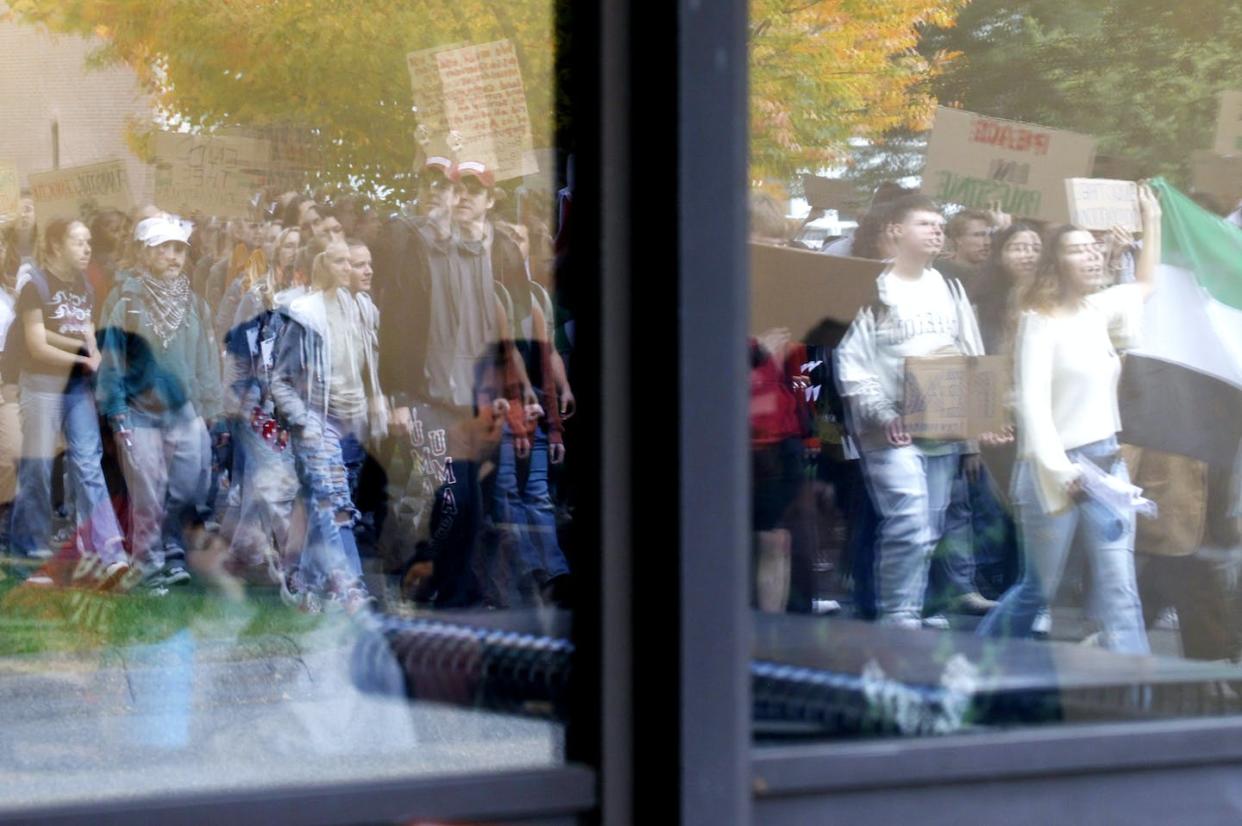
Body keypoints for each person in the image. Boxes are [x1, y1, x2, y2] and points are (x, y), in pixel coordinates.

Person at [977, 184, 1162, 654]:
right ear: (1056, 264)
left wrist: (1152, 219)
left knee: (1120, 591)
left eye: (1095, 248)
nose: (1094, 256)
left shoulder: (1098, 310)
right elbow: (1034, 406)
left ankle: (1134, 697)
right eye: (1079, 250)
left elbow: (1144, 285)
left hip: (1107, 467)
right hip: (1050, 472)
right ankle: (976, 665)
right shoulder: (1039, 321)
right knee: (1037, 589)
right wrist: (1062, 470)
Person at [835, 194, 990, 627]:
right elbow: (851, 362)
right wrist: (884, 413)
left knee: (932, 524)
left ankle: (911, 605)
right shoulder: (870, 288)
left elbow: (969, 355)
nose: (937, 230)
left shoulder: (949, 286)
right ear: (895, 231)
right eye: (925, 223)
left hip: (941, 428)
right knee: (908, 516)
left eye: (940, 223)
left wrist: (975, 431)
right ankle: (898, 614)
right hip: (887, 431)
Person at [98, 214, 224, 591]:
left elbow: (205, 361)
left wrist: (209, 410)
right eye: (166, 249)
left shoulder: (195, 305)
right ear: (147, 254)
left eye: (179, 250)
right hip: (138, 412)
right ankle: (150, 564)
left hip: (185, 412)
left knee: (187, 487)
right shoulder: (126, 302)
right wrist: (117, 411)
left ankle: (171, 550)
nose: (174, 257)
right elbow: (112, 361)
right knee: (147, 491)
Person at [8, 218, 128, 582]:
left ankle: (110, 552)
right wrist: (82, 357)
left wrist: (92, 351)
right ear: (57, 245)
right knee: (38, 470)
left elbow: (81, 331)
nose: (87, 248)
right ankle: (31, 552)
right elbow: (37, 344)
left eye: (89, 242)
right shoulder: (35, 287)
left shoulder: (85, 288)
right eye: (79, 242)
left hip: (76, 389)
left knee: (88, 463)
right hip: (41, 384)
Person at [270, 238, 386, 611]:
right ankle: (348, 586)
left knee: (324, 503)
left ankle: (303, 581)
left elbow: (368, 368)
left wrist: (376, 403)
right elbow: (280, 379)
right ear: (331, 266)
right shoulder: (304, 313)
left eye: (368, 263)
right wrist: (303, 422)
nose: (364, 270)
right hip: (315, 420)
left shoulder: (364, 309)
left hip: (350, 422)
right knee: (334, 504)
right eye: (353, 263)